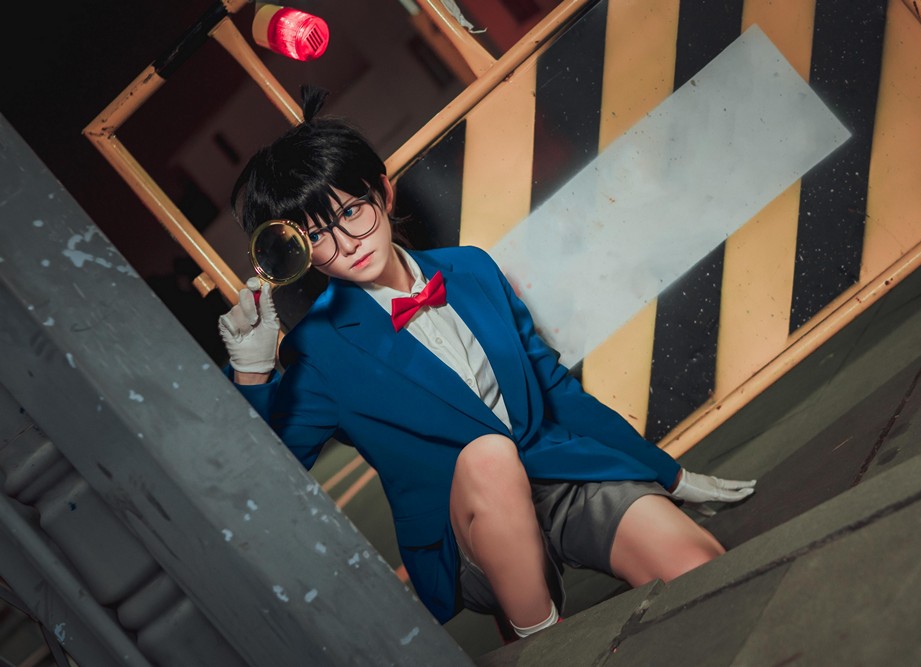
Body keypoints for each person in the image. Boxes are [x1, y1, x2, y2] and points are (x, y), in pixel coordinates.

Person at [218, 86, 755, 638]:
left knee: (700, 566)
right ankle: (541, 638)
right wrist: (253, 373)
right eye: (318, 236)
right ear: (302, 254)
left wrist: (670, 473)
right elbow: (269, 471)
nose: (348, 243)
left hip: (558, 479)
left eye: (351, 211)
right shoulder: (319, 348)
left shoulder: (471, 269)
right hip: (466, 534)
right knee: (489, 455)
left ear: (383, 190)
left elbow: (555, 390)